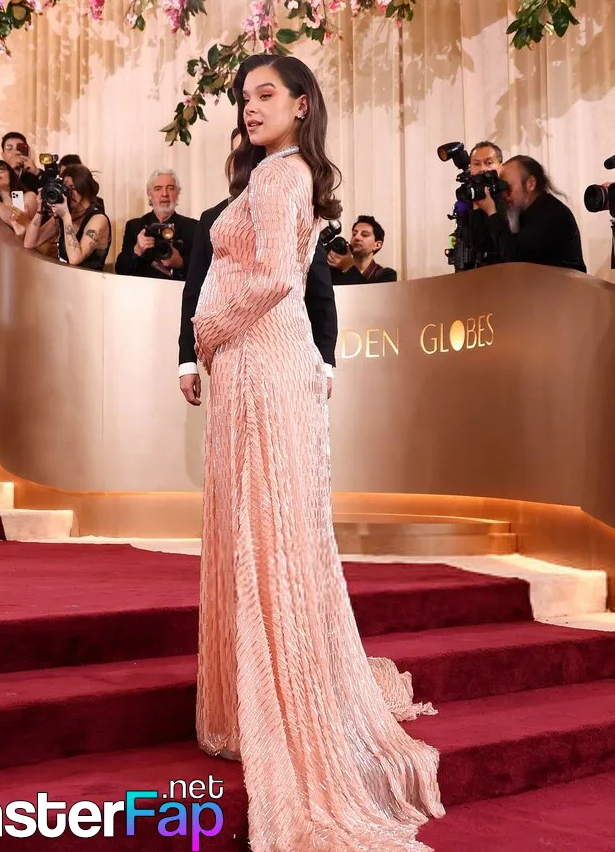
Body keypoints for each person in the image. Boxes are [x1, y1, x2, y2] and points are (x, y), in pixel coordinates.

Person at [191, 52, 442, 851]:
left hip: (262, 361)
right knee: (272, 532)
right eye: (244, 97)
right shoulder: (281, 174)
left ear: (302, 103)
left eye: (266, 93)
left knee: (268, 532)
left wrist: (206, 328)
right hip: (265, 362)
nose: (250, 106)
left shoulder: (279, 175)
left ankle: (285, 704)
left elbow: (271, 275)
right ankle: (271, 693)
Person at [179, 134, 338, 406]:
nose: (246, 158)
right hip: (227, 354)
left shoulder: (294, 204)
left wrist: (325, 363)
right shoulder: (211, 219)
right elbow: (195, 292)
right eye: (239, 152)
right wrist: (187, 361)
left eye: (254, 150)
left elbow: (319, 292)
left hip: (283, 352)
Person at [478, 155, 587, 272]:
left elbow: (514, 257)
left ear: (530, 184)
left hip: (564, 282)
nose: (505, 196)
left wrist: (491, 213)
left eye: (508, 188)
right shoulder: (524, 212)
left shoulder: (550, 213)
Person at [24, 164, 111, 270]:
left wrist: (65, 217)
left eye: (72, 188)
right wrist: (40, 209)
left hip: (89, 278)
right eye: (65, 188)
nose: (67, 193)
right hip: (65, 276)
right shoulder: (66, 215)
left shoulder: (98, 219)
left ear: (84, 188)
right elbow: (30, 242)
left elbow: (75, 259)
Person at [115, 169, 197, 279]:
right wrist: (137, 250)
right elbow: (120, 270)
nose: (164, 194)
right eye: (158, 189)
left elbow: (203, 270)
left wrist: (180, 263)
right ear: (149, 194)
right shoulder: (134, 226)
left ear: (177, 193)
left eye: (170, 188)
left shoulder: (193, 227)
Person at [327, 215, 398, 284]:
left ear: (377, 245)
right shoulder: (334, 271)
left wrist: (348, 267)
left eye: (365, 235)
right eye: (354, 234)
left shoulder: (386, 274)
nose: (356, 237)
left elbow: (369, 292)